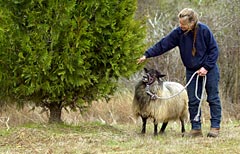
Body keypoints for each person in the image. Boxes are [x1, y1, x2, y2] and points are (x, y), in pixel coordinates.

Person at [137, 8, 222, 137]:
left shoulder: (204, 31)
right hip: (192, 70)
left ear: (192, 22)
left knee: (213, 98)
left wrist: (206, 67)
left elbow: (214, 50)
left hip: (209, 69)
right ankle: (196, 128)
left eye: (184, 24)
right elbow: (163, 44)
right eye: (180, 23)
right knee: (193, 100)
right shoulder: (179, 33)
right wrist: (147, 54)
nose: (181, 26)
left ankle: (215, 127)